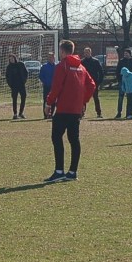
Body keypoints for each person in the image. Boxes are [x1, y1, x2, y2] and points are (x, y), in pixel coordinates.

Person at [44, 40, 95, 182]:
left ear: (62, 51)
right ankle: (72, 172)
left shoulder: (62, 66)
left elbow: (56, 87)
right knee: (74, 139)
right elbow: (92, 85)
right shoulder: (81, 67)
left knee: (56, 137)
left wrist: (48, 103)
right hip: (75, 110)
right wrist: (83, 101)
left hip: (63, 109)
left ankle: (59, 171)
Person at [115, 49, 132, 119]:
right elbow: (117, 71)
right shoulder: (121, 61)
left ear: (130, 54)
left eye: (126, 53)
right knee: (121, 98)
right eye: (124, 53)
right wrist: (120, 80)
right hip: (123, 83)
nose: (125, 55)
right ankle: (119, 113)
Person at [81, 47, 105, 118]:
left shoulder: (95, 61)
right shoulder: (82, 62)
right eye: (85, 52)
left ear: (90, 53)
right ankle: (82, 112)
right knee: (83, 98)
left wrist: (99, 81)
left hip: (94, 83)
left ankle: (99, 113)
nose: (86, 54)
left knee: (96, 98)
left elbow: (101, 72)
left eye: (87, 52)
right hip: (84, 83)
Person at [5, 54, 29, 119]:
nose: (11, 60)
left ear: (15, 58)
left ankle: (21, 113)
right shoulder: (9, 67)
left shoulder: (21, 64)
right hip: (14, 86)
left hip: (21, 85)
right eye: (10, 59)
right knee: (14, 99)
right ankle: (15, 114)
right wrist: (10, 85)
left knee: (23, 98)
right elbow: (7, 77)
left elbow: (26, 73)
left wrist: (24, 81)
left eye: (12, 58)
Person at [39, 52, 56, 118]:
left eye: (52, 57)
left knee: (54, 100)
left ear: (54, 58)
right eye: (49, 57)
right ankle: (46, 114)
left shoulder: (56, 66)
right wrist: (44, 82)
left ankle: (51, 114)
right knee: (46, 100)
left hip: (54, 86)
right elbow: (41, 76)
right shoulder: (44, 66)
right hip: (46, 86)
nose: (51, 58)